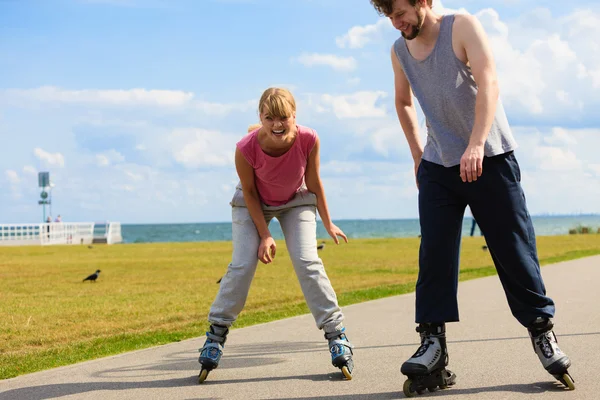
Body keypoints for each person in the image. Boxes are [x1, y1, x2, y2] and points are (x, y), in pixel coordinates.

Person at [368, 0, 574, 394]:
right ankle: (432, 345)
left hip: (490, 157)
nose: (396, 23)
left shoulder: (461, 26)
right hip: (438, 165)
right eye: (389, 17)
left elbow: (489, 80)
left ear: (423, 1)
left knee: (514, 250)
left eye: (400, 13)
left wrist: (476, 145)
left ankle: (542, 332)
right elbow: (403, 101)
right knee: (434, 255)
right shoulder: (399, 50)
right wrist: (417, 155)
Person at [197, 87, 354, 383]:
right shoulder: (245, 148)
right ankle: (215, 335)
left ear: (295, 115)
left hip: (296, 200)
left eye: (284, 117)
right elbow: (251, 193)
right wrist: (265, 235)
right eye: (270, 118)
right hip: (252, 204)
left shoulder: (309, 138)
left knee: (308, 261)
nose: (277, 124)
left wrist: (328, 222)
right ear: (260, 117)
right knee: (242, 265)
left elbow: (315, 182)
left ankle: (337, 334)